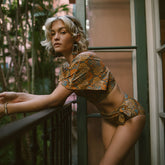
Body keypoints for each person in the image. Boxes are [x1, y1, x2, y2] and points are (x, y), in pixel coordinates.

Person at [0, 15, 145, 165]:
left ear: (76, 37)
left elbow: (54, 100)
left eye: (62, 32)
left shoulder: (85, 60)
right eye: (53, 33)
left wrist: (6, 109)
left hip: (128, 114)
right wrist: (17, 96)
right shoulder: (66, 68)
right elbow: (54, 97)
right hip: (108, 118)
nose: (56, 37)